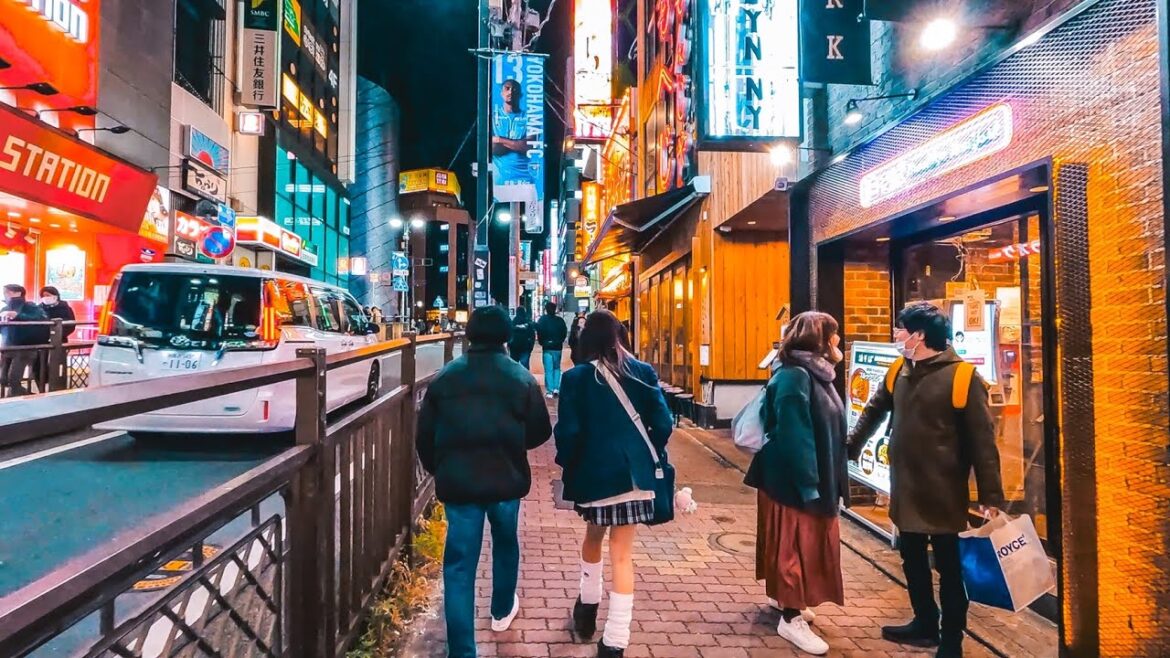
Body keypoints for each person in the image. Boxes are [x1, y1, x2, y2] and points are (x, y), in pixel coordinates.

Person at [848, 302, 1004, 658]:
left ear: (919, 335)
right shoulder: (900, 370)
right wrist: (851, 445)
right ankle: (924, 622)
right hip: (906, 485)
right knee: (911, 557)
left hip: (944, 491)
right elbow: (874, 409)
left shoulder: (963, 377)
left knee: (950, 568)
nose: (896, 335)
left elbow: (983, 442)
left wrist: (990, 495)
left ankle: (952, 640)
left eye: (900, 329)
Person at [416, 305, 552, 658]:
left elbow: (424, 436)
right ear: (507, 337)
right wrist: (512, 442)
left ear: (470, 334)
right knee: (506, 542)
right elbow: (540, 431)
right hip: (506, 479)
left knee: (459, 566)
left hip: (459, 484)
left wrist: (438, 468)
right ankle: (502, 609)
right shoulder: (520, 377)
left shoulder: (446, 378)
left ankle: (463, 651)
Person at [554, 310, 674, 658]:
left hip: (595, 476)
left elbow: (569, 433)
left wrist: (569, 465)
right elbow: (663, 424)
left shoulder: (576, 378)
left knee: (593, 535)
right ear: (620, 335)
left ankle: (587, 609)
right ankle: (615, 641)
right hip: (635, 476)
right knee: (623, 554)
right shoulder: (642, 371)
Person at [743, 312, 849, 656]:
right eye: (833, 336)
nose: (837, 343)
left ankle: (786, 599)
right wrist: (809, 484)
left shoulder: (816, 374)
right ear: (818, 339)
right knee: (794, 547)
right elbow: (794, 435)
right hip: (793, 482)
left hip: (810, 478)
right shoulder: (794, 377)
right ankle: (790, 617)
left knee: (795, 546)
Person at [0, 284, 49, 396]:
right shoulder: (5, 308)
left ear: (18, 293)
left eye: (8, 292)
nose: (6, 295)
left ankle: (15, 401)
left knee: (14, 379)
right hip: (7, 347)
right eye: (5, 292)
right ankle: (27, 396)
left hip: (25, 348)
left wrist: (17, 315)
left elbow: (41, 319)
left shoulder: (30, 306)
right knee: (4, 379)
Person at [491, 79, 533, 186]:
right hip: (500, 182)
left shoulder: (530, 118)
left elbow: (527, 147)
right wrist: (517, 144)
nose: (510, 92)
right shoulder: (492, 117)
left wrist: (499, 139)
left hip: (525, 180)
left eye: (514, 89)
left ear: (520, 94)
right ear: (501, 93)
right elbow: (493, 149)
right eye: (507, 88)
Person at [535, 301, 568, 398]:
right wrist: (559, 341)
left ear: (546, 309)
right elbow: (564, 333)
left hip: (547, 348)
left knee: (548, 369)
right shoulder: (560, 320)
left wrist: (543, 342)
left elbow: (539, 331)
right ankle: (556, 388)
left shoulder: (542, 320)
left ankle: (549, 390)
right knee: (557, 368)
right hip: (557, 348)